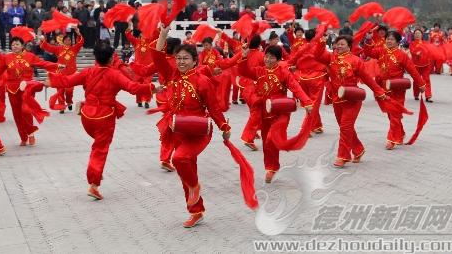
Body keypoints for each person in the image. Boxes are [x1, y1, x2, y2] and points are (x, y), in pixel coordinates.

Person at [45, 42, 154, 200]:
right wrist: (152, 88)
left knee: (98, 144)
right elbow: (133, 88)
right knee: (100, 149)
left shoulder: (88, 71)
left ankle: (97, 171)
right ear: (111, 59)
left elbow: (67, 82)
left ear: (95, 57)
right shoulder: (114, 74)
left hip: (86, 117)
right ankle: (94, 184)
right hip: (104, 117)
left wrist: (51, 81)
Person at [151, 25, 231, 228]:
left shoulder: (202, 81)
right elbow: (158, 57)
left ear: (195, 61)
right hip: (178, 129)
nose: (181, 62)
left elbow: (213, 108)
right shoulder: (172, 76)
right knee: (186, 167)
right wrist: (162, 34)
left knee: (179, 159)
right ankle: (197, 211)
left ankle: (195, 188)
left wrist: (223, 126)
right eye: (178, 58)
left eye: (185, 58)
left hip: (198, 131)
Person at [239, 45, 313, 183]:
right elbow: (243, 71)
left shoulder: (283, 72)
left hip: (281, 113)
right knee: (267, 143)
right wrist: (243, 57)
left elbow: (296, 88)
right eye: (266, 56)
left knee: (271, 139)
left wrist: (307, 102)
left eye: (272, 57)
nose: (268, 59)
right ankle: (270, 168)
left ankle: (273, 164)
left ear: (278, 59)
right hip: (265, 112)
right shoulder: (259, 71)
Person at [313, 35, 388, 167]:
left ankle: (342, 156)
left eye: (342, 44)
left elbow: (367, 79)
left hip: (352, 99)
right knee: (345, 128)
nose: (339, 46)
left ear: (349, 46)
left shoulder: (356, 61)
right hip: (337, 98)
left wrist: (379, 91)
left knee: (345, 127)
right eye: (338, 44)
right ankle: (358, 150)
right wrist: (321, 41)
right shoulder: (331, 57)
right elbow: (317, 55)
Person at [0, 37, 62, 146]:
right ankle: (23, 136)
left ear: (22, 45)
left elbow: (43, 64)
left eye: (17, 44)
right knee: (17, 114)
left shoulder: (30, 56)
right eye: (13, 44)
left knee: (26, 111)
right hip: (12, 89)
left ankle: (31, 134)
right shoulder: (7, 57)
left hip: (27, 88)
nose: (14, 46)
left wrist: (57, 65)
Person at [363, 31, 425, 149]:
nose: (389, 41)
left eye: (392, 39)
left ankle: (392, 139)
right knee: (391, 115)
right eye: (387, 39)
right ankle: (400, 133)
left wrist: (421, 84)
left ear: (397, 41)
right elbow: (368, 52)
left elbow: (412, 71)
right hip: (383, 88)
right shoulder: (381, 51)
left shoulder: (402, 55)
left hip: (397, 88)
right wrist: (368, 40)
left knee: (395, 113)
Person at [287, 29, 328, 134]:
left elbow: (292, 60)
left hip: (303, 78)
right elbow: (328, 60)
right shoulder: (319, 48)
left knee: (309, 103)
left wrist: (291, 67)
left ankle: (316, 125)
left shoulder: (302, 48)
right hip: (317, 78)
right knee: (314, 104)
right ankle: (306, 128)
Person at [39, 27, 84, 113]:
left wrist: (78, 33)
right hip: (61, 73)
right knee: (60, 90)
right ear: (63, 41)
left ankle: (69, 102)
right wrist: (43, 40)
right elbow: (48, 47)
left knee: (69, 91)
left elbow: (80, 43)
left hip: (71, 74)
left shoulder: (74, 48)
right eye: (66, 40)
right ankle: (61, 106)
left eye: (69, 40)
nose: (68, 41)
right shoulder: (58, 49)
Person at [126, 24, 156, 108]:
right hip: (138, 68)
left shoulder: (151, 42)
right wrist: (129, 26)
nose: (144, 35)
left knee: (147, 84)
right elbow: (129, 36)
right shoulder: (136, 42)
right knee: (138, 85)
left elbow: (156, 34)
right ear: (140, 34)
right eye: (143, 33)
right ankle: (139, 101)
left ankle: (147, 101)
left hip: (148, 68)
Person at [409, 28, 433, 102]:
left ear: (422, 35)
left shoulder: (426, 43)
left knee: (426, 80)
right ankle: (416, 95)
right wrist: (416, 53)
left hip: (426, 64)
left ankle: (428, 96)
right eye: (416, 33)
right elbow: (412, 51)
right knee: (416, 80)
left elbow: (429, 51)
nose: (417, 35)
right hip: (416, 65)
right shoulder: (412, 43)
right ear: (414, 35)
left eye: (419, 33)